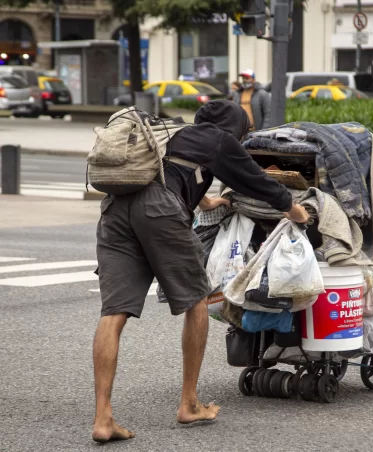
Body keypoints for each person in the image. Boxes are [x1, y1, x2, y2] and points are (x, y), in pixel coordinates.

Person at [91, 100, 309, 443]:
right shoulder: (220, 140)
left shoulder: (176, 133)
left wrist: (207, 202)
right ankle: (189, 404)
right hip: (159, 210)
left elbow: (173, 173)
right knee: (197, 302)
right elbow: (257, 182)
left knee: (113, 313)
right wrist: (293, 210)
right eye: (245, 130)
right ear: (235, 127)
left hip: (116, 211)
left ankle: (103, 419)